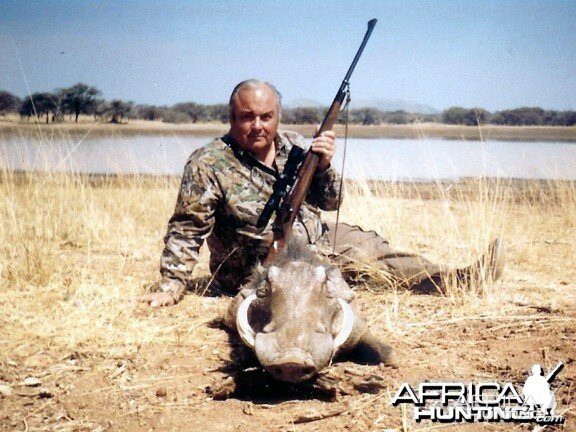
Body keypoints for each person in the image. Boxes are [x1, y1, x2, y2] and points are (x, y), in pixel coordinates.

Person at [139, 79, 504, 308]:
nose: (257, 126)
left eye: (266, 116)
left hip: (317, 235)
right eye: (246, 117)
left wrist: (325, 165)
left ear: (277, 116)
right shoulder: (207, 162)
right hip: (259, 263)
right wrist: (172, 286)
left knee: (374, 250)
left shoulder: (298, 147)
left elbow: (332, 203)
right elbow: (187, 229)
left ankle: (458, 279)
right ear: (231, 117)